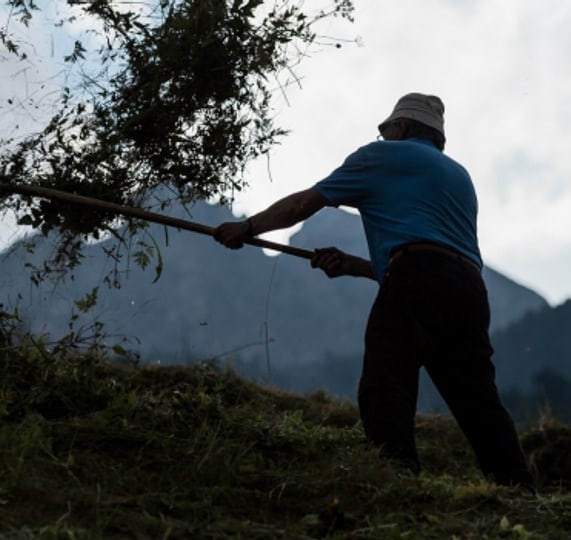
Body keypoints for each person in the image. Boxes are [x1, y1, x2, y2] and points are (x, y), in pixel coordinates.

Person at [213, 93, 533, 487]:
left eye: (384, 129)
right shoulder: (459, 177)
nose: (380, 135)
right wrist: (354, 266)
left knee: (387, 379)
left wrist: (247, 229)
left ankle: (396, 477)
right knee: (478, 399)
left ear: (399, 128)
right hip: (469, 289)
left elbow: (302, 205)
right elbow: (436, 255)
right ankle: (519, 487)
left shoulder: (381, 156)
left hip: (416, 275)